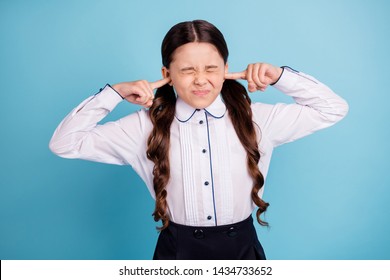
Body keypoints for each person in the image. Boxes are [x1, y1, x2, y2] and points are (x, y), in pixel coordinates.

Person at [49, 19, 349, 260]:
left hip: (242, 252)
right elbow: (65, 143)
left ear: (227, 70)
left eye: (211, 68)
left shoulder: (259, 119)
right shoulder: (142, 127)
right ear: (167, 73)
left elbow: (333, 108)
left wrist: (280, 76)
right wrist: (113, 94)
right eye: (187, 70)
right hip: (176, 253)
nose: (201, 80)